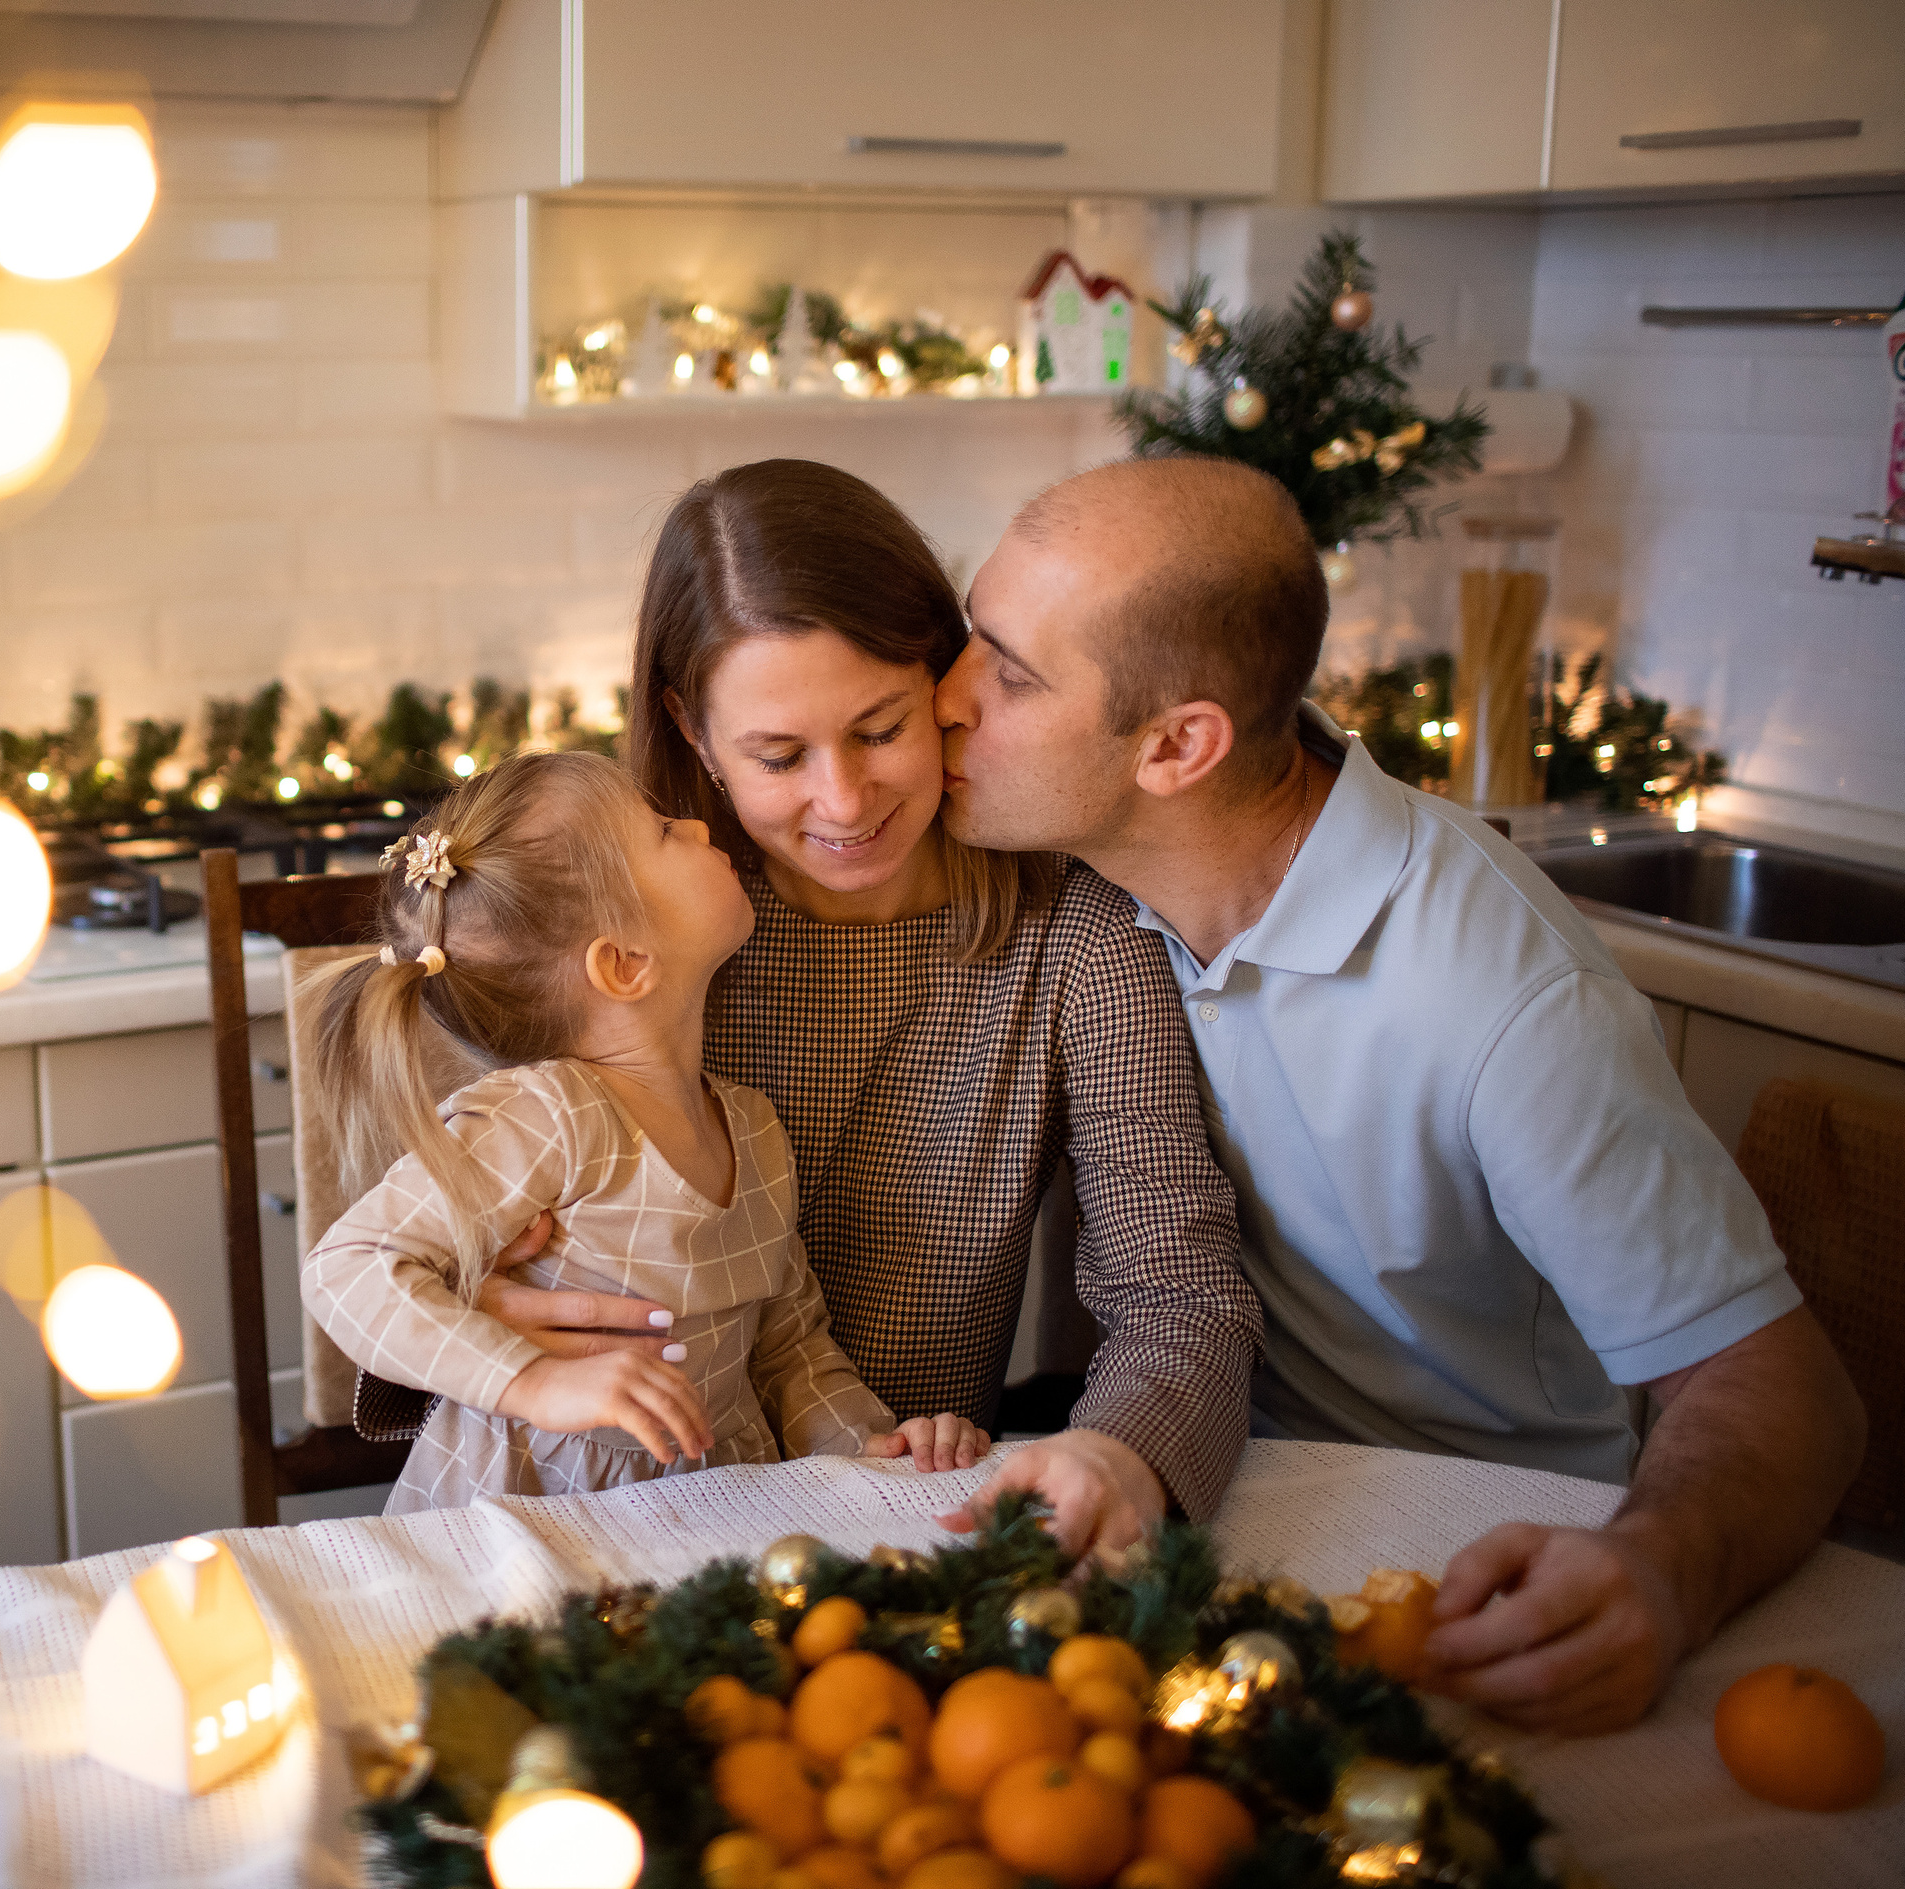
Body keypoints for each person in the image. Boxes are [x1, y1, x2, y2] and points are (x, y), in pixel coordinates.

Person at [939, 453, 1867, 1732]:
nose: (943, 698)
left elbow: (1781, 1391)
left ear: (1175, 745)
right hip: (1184, 1477)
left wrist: (1660, 1567)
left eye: (1007, 671)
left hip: (1456, 1560)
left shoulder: (1502, 997)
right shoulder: (1090, 876)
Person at [459, 460, 1260, 1551]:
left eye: (881, 728)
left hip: (908, 1520)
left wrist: (1116, 1451)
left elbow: (1179, 1290)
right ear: (691, 730)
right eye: (777, 755)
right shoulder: (611, 930)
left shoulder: (1071, 938)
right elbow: (409, 1262)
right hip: (619, 1520)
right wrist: (475, 1311)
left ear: (948, 678)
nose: (843, 801)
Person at [299, 749, 988, 1513]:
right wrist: (535, 1381)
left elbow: (789, 1350)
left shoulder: (755, 1130)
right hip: (528, 1520)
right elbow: (348, 1265)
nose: (696, 824)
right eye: (663, 830)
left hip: (715, 1516)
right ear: (625, 965)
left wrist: (876, 1450)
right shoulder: (549, 1115)